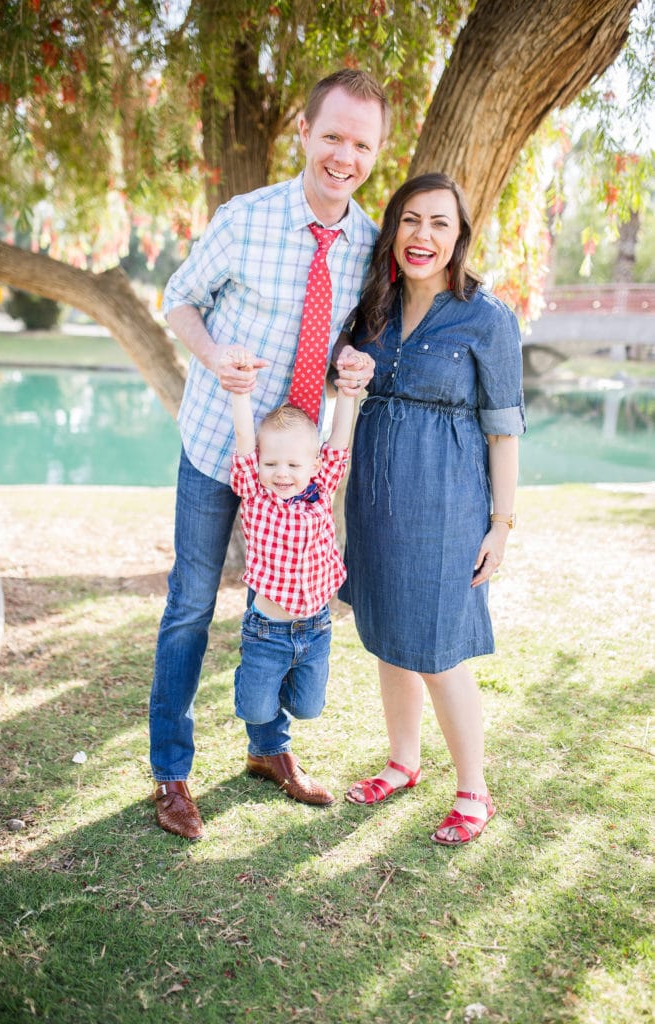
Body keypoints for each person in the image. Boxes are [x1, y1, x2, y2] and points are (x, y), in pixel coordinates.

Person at [150, 69, 390, 840]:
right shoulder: (244, 218)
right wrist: (214, 351)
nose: (343, 156)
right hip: (219, 446)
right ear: (304, 134)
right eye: (332, 136)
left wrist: (355, 362)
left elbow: (354, 336)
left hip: (296, 471)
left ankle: (268, 751)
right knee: (191, 603)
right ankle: (171, 772)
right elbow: (178, 297)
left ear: (374, 152)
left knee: (287, 599)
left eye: (360, 143)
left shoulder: (367, 245)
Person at [340, 172, 525, 846]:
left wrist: (499, 526)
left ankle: (473, 789)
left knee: (438, 650)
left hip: (446, 506)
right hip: (373, 504)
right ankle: (402, 762)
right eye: (410, 220)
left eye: (438, 223)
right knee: (390, 640)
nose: (422, 236)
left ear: (459, 237)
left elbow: (503, 430)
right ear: (393, 229)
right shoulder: (371, 310)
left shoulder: (486, 315)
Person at [221, 346, 369, 804]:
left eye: (292, 465)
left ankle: (278, 681)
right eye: (272, 464)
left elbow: (339, 442)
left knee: (309, 707)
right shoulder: (256, 494)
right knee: (254, 706)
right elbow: (246, 441)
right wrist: (240, 394)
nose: (281, 474)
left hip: (316, 628)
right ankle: (258, 683)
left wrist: (348, 393)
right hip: (267, 629)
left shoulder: (322, 487)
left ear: (313, 466)